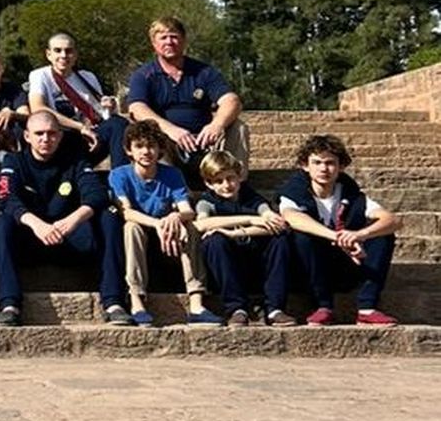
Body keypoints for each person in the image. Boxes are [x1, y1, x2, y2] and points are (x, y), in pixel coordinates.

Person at [0, 111, 129, 327]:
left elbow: (96, 193)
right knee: (2, 222)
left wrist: (72, 220)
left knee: (108, 216)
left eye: (52, 134)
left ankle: (113, 303)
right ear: (27, 136)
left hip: (69, 235)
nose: (46, 139)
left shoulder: (74, 160)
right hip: (32, 237)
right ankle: (10, 305)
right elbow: (6, 198)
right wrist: (36, 224)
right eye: (39, 134)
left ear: (60, 136)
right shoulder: (14, 161)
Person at [277, 134, 401, 326]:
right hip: (305, 269)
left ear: (341, 166)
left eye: (330, 163)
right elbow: (293, 218)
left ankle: (367, 308)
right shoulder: (294, 191)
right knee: (302, 237)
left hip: (345, 267)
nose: (323, 168)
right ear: (305, 165)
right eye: (316, 162)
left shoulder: (352, 194)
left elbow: (392, 220)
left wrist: (359, 235)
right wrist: (338, 238)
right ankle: (322, 306)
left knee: (383, 236)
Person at [107, 120, 221, 325]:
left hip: (169, 232)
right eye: (139, 146)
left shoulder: (171, 174)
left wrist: (175, 217)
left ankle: (196, 303)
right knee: (131, 228)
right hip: (143, 228)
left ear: (160, 149)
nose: (146, 151)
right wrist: (158, 224)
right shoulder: (120, 175)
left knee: (191, 228)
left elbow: (187, 210)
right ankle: (136, 300)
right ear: (129, 150)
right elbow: (127, 212)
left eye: (151, 145)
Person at [126, 16, 247, 181]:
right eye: (163, 38)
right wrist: (171, 130)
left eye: (174, 37)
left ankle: (235, 186)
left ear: (183, 41)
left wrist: (216, 125)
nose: (169, 42)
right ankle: (170, 192)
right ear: (154, 44)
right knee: (149, 132)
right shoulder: (143, 75)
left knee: (238, 126)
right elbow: (137, 108)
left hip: (205, 141)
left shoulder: (204, 72)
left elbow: (231, 100)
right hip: (166, 144)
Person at [194, 150, 295, 327]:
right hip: (227, 267)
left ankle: (274, 308)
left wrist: (236, 233)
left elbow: (277, 224)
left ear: (240, 176)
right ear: (209, 184)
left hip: (256, 262)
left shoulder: (253, 199)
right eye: (219, 181)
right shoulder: (207, 201)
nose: (226, 185)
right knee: (214, 241)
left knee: (281, 240)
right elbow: (201, 224)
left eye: (231, 178)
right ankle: (236, 309)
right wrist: (250, 219)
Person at [27, 32, 126, 168]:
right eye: (58, 51)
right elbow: (37, 108)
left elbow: (102, 115)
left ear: (75, 55)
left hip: (93, 136)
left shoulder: (88, 77)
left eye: (68, 51)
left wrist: (109, 108)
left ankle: (121, 177)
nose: (63, 55)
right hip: (63, 138)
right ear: (48, 54)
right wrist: (80, 128)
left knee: (118, 123)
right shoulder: (40, 75)